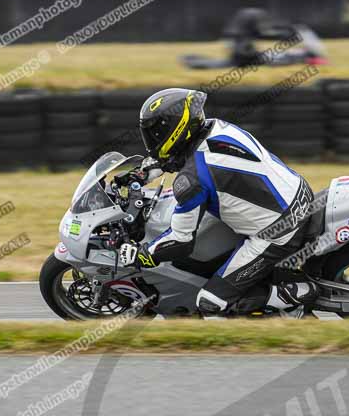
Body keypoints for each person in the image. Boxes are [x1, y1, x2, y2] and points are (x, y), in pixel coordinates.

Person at [117, 87, 318, 315]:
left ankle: (297, 292)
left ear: (175, 129)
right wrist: (142, 174)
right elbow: (187, 159)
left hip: (279, 232)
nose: (152, 140)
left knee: (210, 302)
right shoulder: (216, 127)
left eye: (155, 133)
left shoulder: (191, 181)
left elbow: (181, 241)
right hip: (298, 193)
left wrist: (142, 254)